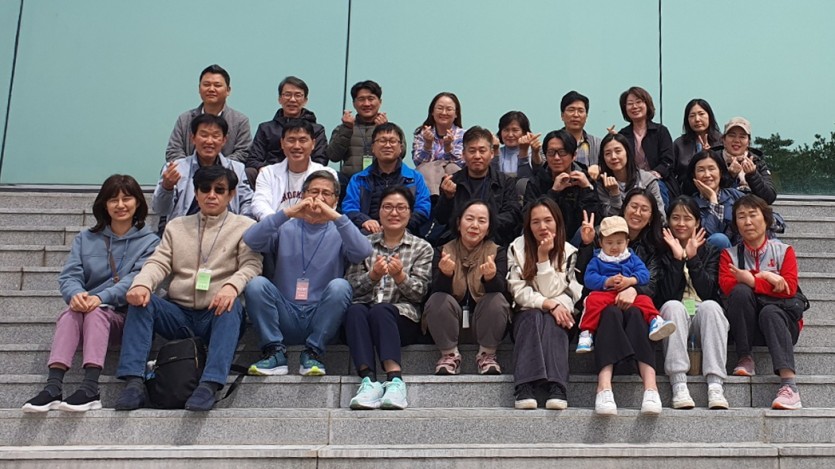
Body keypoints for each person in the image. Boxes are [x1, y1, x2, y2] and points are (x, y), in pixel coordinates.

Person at [114, 166, 263, 412]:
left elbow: (252, 265)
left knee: (232, 306)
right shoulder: (177, 226)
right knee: (142, 302)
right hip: (178, 314)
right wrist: (142, 284)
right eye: (205, 189)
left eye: (219, 190)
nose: (211, 195)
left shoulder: (245, 226)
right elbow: (158, 262)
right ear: (196, 193)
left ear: (231, 194)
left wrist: (231, 286)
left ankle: (209, 385)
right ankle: (134, 383)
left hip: (215, 312)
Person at [22, 175, 159, 413]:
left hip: (125, 319)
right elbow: (69, 275)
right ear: (104, 204)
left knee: (96, 312)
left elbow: (136, 280)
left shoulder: (150, 242)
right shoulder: (85, 238)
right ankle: (53, 387)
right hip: (87, 312)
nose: (120, 205)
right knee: (70, 313)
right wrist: (76, 294)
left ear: (138, 203)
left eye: (127, 198)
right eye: (113, 200)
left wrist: (100, 298)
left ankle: (90, 387)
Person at [244, 171, 372, 376]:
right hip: (285, 312)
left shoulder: (341, 230)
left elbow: (363, 251)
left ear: (335, 200)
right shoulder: (285, 225)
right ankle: (275, 352)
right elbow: (251, 239)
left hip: (320, 316)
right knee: (256, 285)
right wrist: (287, 212)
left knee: (340, 286)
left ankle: (313, 352)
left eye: (326, 194)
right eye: (314, 192)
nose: (319, 198)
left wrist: (336, 217)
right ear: (303, 195)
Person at [576, 188, 666, 415]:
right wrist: (587, 245)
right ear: (624, 209)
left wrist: (632, 287)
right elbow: (585, 279)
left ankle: (651, 388)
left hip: (635, 304)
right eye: (633, 206)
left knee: (637, 312)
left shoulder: (651, 248)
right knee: (610, 312)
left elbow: (650, 281)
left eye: (644, 209)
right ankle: (604, 387)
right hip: (607, 303)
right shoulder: (598, 249)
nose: (638, 212)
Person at [344, 186, 434, 410]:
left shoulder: (422, 248)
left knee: (381, 310)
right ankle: (368, 381)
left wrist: (400, 277)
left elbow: (420, 293)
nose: (394, 213)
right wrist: (372, 276)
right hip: (367, 315)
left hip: (403, 319)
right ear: (379, 212)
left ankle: (395, 380)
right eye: (388, 207)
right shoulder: (363, 244)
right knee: (354, 310)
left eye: (401, 207)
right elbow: (351, 288)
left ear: (410, 213)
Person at [719, 195, 804, 410]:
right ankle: (745, 357)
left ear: (766, 220)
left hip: (781, 325)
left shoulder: (784, 251)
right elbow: (728, 286)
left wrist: (751, 279)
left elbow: (789, 288)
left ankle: (789, 387)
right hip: (745, 326)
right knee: (739, 291)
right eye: (741, 217)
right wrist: (767, 278)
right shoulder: (729, 255)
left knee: (770, 312)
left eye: (753, 215)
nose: (747, 222)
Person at [507, 198, 581, 410]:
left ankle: (557, 386)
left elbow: (567, 291)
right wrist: (549, 304)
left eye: (548, 220)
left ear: (557, 221)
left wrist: (543, 259)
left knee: (552, 320)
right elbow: (518, 291)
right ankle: (524, 386)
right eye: (535, 222)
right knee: (533, 316)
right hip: (526, 315)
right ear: (528, 225)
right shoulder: (516, 248)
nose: (542, 227)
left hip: (560, 315)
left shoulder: (569, 251)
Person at [657, 195, 730, 410]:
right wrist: (677, 260)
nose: (681, 223)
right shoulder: (661, 251)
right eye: (675, 218)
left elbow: (709, 292)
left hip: (702, 316)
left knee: (712, 307)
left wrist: (693, 258)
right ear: (668, 221)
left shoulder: (711, 251)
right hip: (675, 315)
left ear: (697, 222)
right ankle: (679, 383)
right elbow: (665, 295)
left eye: (687, 218)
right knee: (673, 306)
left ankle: (715, 385)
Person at [424, 200, 511, 375]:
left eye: (482, 221)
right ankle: (449, 355)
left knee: (496, 300)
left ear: (489, 228)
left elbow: (502, 291)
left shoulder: (498, 252)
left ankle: (487, 355)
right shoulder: (442, 250)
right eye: (469, 219)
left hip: (484, 325)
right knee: (437, 299)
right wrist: (446, 274)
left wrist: (491, 278)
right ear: (459, 223)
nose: (474, 225)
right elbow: (435, 290)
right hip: (451, 325)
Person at [577, 216, 675, 353]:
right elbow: (589, 278)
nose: (614, 247)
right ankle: (586, 333)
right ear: (600, 243)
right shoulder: (597, 259)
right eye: (609, 242)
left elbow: (645, 274)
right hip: (605, 294)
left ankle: (655, 320)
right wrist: (606, 281)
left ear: (627, 242)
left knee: (645, 300)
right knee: (592, 300)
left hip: (629, 295)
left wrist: (631, 281)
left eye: (619, 242)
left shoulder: (632, 258)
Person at [153, 114, 253, 233]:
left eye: (215, 136)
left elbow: (247, 203)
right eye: (204, 135)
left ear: (224, 140)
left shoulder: (237, 169)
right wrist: (166, 187)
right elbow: (160, 209)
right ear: (193, 138)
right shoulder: (176, 168)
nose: (209, 141)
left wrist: (240, 227)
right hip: (185, 232)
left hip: (227, 232)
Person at [435, 126, 522, 247]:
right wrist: (447, 198)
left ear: (491, 153)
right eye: (472, 151)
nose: (477, 156)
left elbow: (512, 216)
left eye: (482, 151)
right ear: (463, 154)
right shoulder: (451, 181)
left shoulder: (505, 182)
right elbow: (441, 219)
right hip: (458, 242)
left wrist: (484, 225)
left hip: (494, 241)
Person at [342, 122, 431, 235]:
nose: (387, 145)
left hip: (406, 231)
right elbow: (349, 208)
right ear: (373, 147)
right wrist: (365, 221)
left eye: (392, 141)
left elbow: (423, 208)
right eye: (382, 141)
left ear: (400, 148)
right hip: (368, 232)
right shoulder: (359, 179)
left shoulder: (415, 178)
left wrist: (403, 225)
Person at [246, 76, 329, 186]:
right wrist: (268, 171)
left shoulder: (316, 129)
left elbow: (320, 160)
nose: (292, 99)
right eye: (287, 94)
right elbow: (253, 159)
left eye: (298, 95)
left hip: (304, 177)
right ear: (279, 99)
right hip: (271, 176)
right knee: (249, 172)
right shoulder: (266, 128)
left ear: (305, 100)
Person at [524, 129, 600, 246]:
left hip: (577, 242)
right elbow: (527, 217)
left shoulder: (585, 179)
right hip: (544, 240)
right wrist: (553, 192)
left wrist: (586, 189)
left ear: (574, 155)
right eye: (551, 152)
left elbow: (595, 219)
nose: (556, 158)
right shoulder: (537, 181)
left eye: (562, 152)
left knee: (587, 229)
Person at [251, 119, 338, 221]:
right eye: (291, 140)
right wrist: (277, 223)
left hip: (310, 227)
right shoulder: (268, 173)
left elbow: (328, 209)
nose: (297, 146)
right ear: (282, 143)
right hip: (275, 227)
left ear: (313, 144)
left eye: (302, 140)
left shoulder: (327, 174)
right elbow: (259, 204)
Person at [165, 64, 251, 163]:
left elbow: (243, 153)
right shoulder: (185, 119)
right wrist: (191, 167)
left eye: (217, 85)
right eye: (206, 85)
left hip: (226, 172)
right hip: (188, 171)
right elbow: (173, 151)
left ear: (228, 90)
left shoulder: (240, 121)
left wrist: (217, 169)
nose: (211, 89)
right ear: (199, 88)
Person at [326, 80, 388, 193]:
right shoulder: (343, 128)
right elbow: (333, 156)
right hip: (350, 185)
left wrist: (384, 131)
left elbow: (400, 153)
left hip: (380, 183)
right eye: (361, 99)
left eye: (371, 98)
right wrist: (347, 129)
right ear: (354, 103)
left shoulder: (390, 129)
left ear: (380, 102)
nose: (366, 104)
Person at [618, 86, 677, 203]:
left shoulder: (660, 131)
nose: (634, 106)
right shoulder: (623, 135)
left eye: (638, 102)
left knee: (657, 189)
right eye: (630, 104)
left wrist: (651, 176)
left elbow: (668, 160)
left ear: (647, 104)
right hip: (632, 181)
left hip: (659, 179)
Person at [597, 133, 665, 220]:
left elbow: (661, 217)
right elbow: (610, 221)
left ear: (627, 152)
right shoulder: (602, 184)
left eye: (618, 151)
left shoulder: (647, 180)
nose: (613, 157)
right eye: (607, 153)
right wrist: (615, 194)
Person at [687, 150, 745, 249]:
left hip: (740, 252)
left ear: (720, 172)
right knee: (719, 239)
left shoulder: (735, 196)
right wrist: (713, 200)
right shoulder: (690, 205)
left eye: (711, 169)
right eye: (701, 170)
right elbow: (713, 237)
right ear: (694, 175)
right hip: (707, 255)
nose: (707, 175)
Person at [713, 117, 777, 204]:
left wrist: (753, 175)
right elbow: (707, 193)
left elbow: (769, 198)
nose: (736, 140)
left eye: (742, 137)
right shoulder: (713, 159)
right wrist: (730, 176)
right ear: (723, 139)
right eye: (732, 135)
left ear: (748, 142)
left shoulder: (757, 161)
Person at [412, 92, 464, 196]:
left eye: (449, 109)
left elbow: (463, 163)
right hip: (428, 180)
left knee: (452, 168)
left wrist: (448, 147)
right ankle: (433, 198)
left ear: (456, 114)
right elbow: (418, 163)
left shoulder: (464, 135)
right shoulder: (422, 133)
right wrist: (427, 145)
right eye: (440, 108)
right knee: (427, 168)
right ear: (432, 111)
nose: (444, 113)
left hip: (454, 182)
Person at [672, 99, 722, 190]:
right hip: (686, 191)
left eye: (701, 114)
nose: (697, 119)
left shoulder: (721, 141)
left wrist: (709, 154)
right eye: (692, 116)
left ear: (710, 116)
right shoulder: (679, 144)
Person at [559, 90, 602, 179]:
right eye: (571, 110)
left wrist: (600, 168)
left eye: (580, 111)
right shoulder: (552, 143)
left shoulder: (598, 144)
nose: (576, 115)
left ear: (586, 117)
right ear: (562, 115)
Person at [491, 110, 541, 179]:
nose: (510, 135)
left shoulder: (535, 152)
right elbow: (493, 178)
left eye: (515, 130)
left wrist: (533, 152)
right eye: (506, 130)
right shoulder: (494, 153)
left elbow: (537, 172)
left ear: (525, 132)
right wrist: (495, 151)